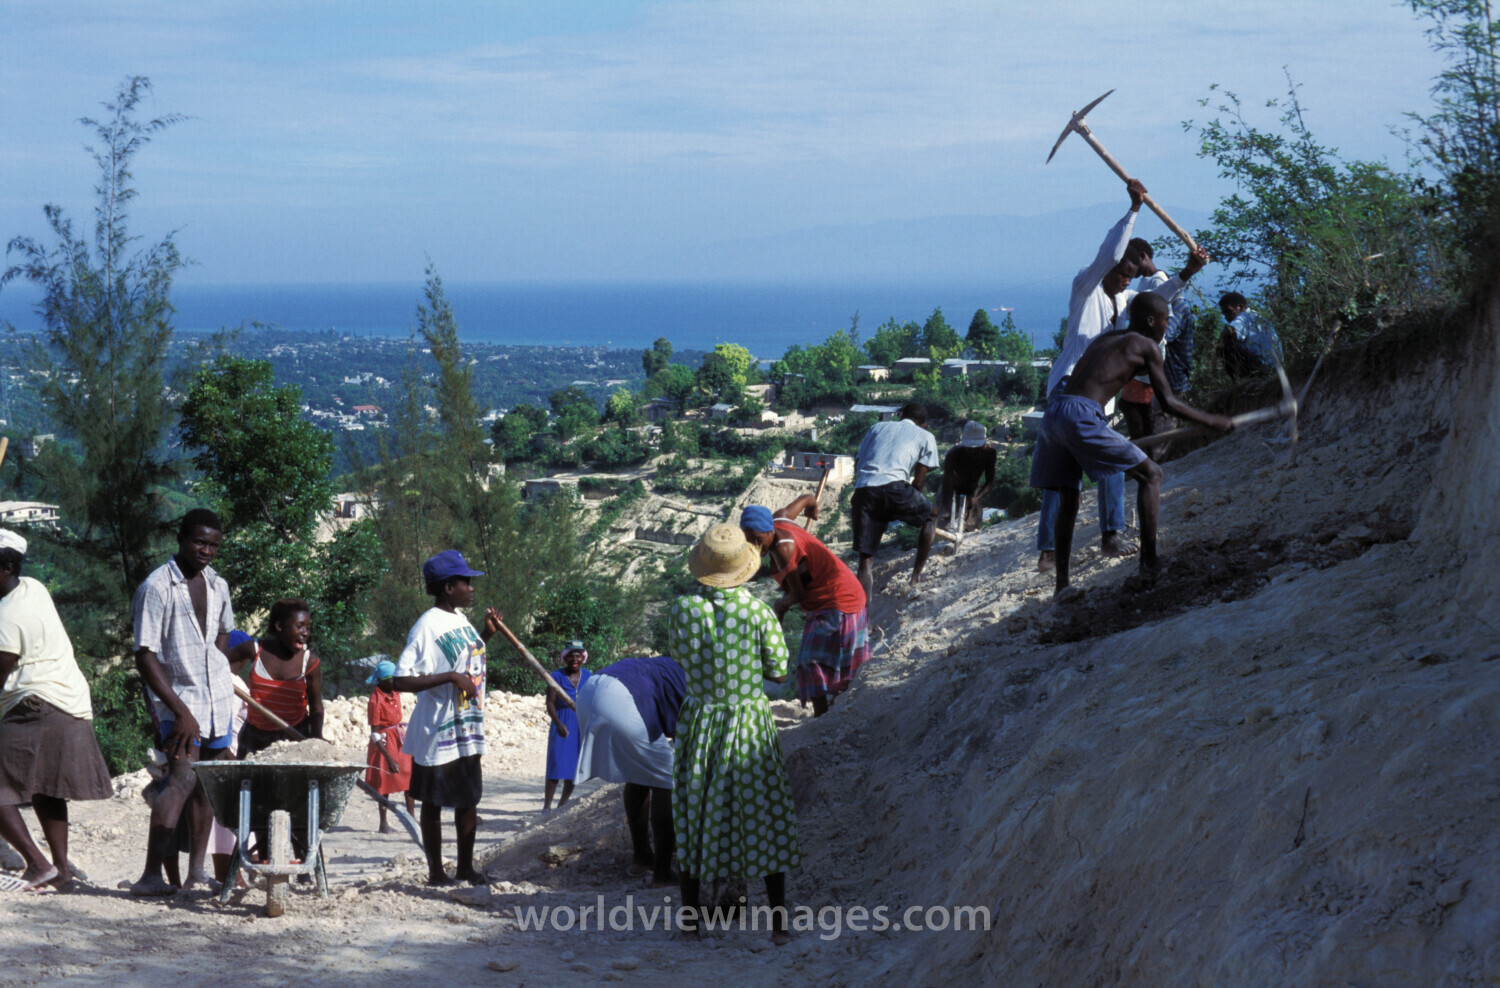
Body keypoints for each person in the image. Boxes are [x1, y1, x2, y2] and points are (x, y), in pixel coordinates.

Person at [1036, 180, 1207, 573]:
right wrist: (1133, 211)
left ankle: (1104, 536)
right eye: (1122, 274)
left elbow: (1158, 299)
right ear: (1109, 270)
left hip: (1099, 399)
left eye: (1131, 276)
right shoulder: (1086, 287)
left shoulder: (1125, 299)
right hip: (1068, 389)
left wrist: (1188, 271)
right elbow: (1106, 256)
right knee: (1067, 477)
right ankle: (1058, 546)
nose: (1126, 280)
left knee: (1091, 465)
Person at [1031, 293, 1232, 597]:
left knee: (1068, 498)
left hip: (1055, 411)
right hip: (1082, 414)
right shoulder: (1148, 346)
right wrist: (1210, 419)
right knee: (1151, 474)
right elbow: (1168, 401)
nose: (1167, 326)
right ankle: (1149, 562)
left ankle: (1062, 586)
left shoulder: (1108, 338)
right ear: (1151, 321)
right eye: (1166, 319)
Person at [669, 524, 800, 944]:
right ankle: (779, 925)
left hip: (700, 722)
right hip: (747, 725)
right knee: (764, 815)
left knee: (695, 813)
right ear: (744, 566)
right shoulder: (759, 612)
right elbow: (778, 671)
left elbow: (682, 658)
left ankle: (691, 922)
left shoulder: (682, 610)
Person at [130, 508, 238, 896]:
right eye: (199, 542)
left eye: (213, 545)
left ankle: (196, 873)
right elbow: (145, 655)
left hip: (217, 703)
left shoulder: (217, 585)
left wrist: (218, 670)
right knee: (178, 782)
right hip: (180, 706)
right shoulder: (157, 587)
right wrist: (179, 710)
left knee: (205, 787)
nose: (206, 551)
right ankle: (149, 877)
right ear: (181, 538)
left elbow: (224, 634)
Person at [0, 529, 112, 890]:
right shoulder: (33, 588)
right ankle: (60, 870)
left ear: (6, 566)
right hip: (70, 700)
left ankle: (37, 864)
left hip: (35, 703)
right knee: (46, 788)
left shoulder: (6, 616)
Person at [389, 550, 501, 886]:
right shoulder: (425, 626)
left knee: (469, 798)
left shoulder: (460, 620)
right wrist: (450, 678)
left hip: (467, 725)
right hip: (437, 729)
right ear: (448, 586)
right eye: (466, 581)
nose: (472, 587)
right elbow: (400, 680)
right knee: (434, 802)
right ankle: (437, 872)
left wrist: (487, 632)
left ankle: (465, 868)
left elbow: (468, 658)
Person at [739, 501, 867, 717]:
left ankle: (821, 718)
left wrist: (780, 605)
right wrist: (812, 506)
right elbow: (808, 497)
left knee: (810, 661)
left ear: (770, 531)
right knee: (826, 661)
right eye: (748, 541)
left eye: (758, 540)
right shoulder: (780, 517)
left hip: (838, 600)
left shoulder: (782, 549)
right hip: (834, 595)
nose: (755, 546)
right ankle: (834, 713)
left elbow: (798, 595)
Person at [575, 654, 687, 888]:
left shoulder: (654, 664)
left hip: (589, 692)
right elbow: (685, 734)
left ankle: (642, 858)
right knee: (668, 779)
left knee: (639, 773)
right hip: (620, 699)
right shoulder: (684, 677)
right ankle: (662, 873)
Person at [850, 402, 940, 597]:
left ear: (900, 415)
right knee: (932, 515)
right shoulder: (926, 436)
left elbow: (858, 463)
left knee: (866, 560)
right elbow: (918, 483)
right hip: (895, 489)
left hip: (864, 490)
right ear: (924, 424)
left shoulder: (877, 427)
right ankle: (916, 576)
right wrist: (899, 507)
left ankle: (864, 623)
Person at [1122, 242, 1196, 460]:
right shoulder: (1146, 282)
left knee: (1160, 417)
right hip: (1154, 370)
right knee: (1147, 414)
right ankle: (1147, 461)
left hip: (1168, 371)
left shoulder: (1162, 284)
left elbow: (1166, 332)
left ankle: (1154, 463)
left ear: (1143, 256)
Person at [235, 599, 324, 757]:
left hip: (295, 738)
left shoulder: (310, 662)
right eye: (299, 626)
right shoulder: (254, 649)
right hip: (254, 739)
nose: (305, 633)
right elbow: (219, 664)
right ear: (279, 626)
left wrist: (316, 740)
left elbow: (316, 706)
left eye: (308, 628)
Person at [364, 659, 415, 834]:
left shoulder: (395, 693)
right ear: (382, 680)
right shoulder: (375, 700)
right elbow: (375, 732)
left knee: (408, 778)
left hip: (399, 740)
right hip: (384, 744)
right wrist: (388, 757)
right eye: (392, 679)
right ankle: (383, 823)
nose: (395, 682)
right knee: (384, 782)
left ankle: (412, 819)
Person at [543, 640, 591, 811]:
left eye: (578, 655)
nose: (575, 659)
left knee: (574, 767)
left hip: (581, 724)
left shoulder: (588, 676)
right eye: (571, 655)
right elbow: (550, 704)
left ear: (583, 657)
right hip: (562, 722)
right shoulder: (556, 677)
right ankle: (547, 807)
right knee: (556, 764)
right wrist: (558, 724)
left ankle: (562, 805)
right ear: (566, 657)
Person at [936, 420, 996, 533]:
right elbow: (946, 487)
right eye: (970, 449)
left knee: (972, 528)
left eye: (977, 449)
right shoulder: (953, 454)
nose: (973, 452)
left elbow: (990, 482)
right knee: (947, 527)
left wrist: (976, 499)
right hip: (951, 491)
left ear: (983, 444)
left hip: (971, 490)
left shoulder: (990, 453)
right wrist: (952, 512)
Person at [1219, 292, 1282, 377]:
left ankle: (1237, 379)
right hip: (1277, 368)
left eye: (1229, 312)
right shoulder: (1258, 316)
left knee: (1227, 342)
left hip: (1261, 370)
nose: (1227, 317)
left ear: (1240, 307)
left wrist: (1220, 341)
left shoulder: (1242, 318)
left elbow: (1231, 329)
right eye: (1224, 314)